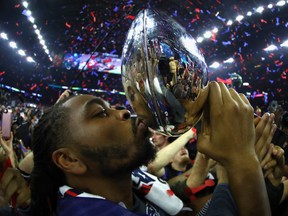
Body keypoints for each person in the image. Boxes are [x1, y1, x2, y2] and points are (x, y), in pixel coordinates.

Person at [24, 81, 271, 216]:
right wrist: (243, 162)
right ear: (68, 159)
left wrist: (230, 172)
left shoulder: (134, 191)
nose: (122, 111)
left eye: (112, 107)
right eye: (100, 113)